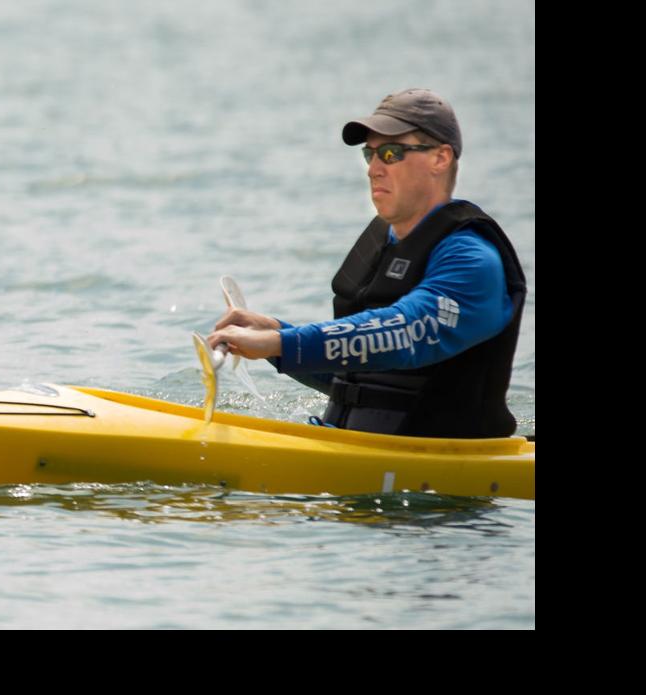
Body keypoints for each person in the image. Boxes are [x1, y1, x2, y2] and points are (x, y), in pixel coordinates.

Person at [206, 89, 527, 439]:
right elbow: (363, 378)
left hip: (439, 460)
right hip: (355, 445)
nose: (374, 169)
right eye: (369, 154)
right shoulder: (384, 242)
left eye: (391, 153)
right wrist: (274, 334)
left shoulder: (473, 260)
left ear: (440, 158)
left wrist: (282, 343)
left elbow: (406, 331)